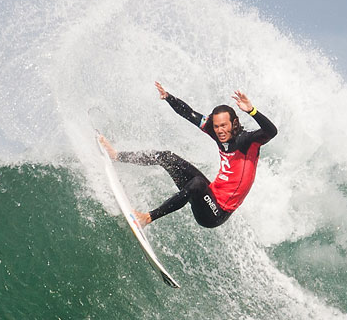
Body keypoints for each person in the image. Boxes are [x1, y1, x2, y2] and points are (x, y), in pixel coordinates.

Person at [98, 81, 278, 228]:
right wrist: (168, 97)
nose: (219, 130)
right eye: (216, 126)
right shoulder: (215, 132)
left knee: (197, 184)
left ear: (234, 123)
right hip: (209, 194)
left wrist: (252, 110)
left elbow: (271, 132)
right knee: (167, 157)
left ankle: (147, 218)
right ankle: (116, 155)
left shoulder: (247, 141)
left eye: (224, 125)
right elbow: (189, 114)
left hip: (215, 214)